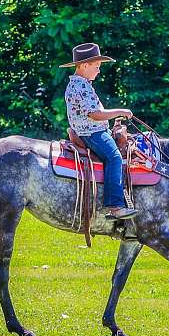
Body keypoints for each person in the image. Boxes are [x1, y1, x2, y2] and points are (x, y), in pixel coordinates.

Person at [60, 43, 137, 220]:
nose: (99, 71)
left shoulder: (80, 84)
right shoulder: (81, 87)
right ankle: (115, 206)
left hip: (90, 130)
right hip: (92, 133)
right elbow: (95, 114)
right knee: (115, 158)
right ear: (85, 65)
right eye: (97, 67)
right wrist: (120, 111)